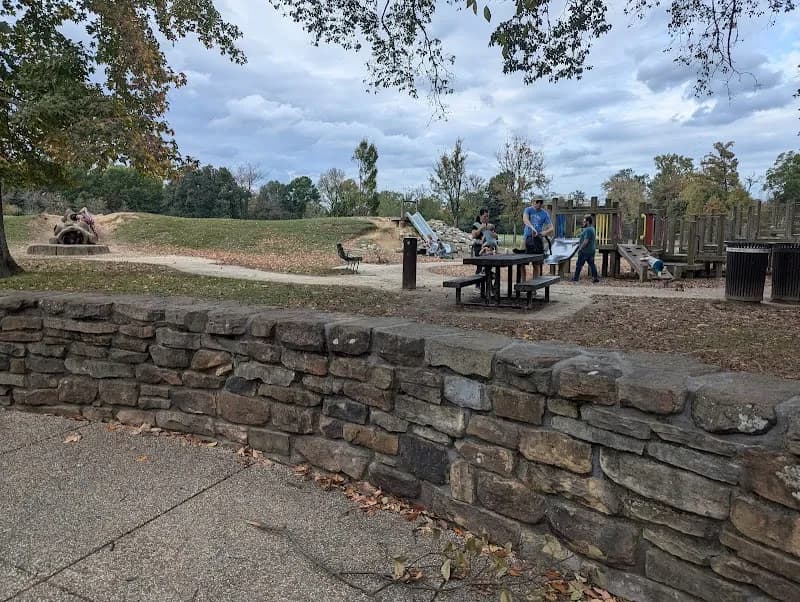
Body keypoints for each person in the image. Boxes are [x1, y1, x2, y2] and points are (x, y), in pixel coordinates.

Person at [520, 198, 553, 281]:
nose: (538, 204)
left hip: (537, 240)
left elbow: (551, 228)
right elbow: (525, 219)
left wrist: (545, 232)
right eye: (537, 202)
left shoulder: (544, 213)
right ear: (533, 202)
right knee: (521, 262)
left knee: (536, 263)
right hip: (526, 238)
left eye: (540, 202)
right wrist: (532, 228)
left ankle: (534, 284)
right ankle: (523, 282)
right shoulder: (528, 210)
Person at [572, 214, 600, 283]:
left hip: (585, 251)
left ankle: (575, 279)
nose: (583, 222)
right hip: (591, 250)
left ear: (588, 222)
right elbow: (584, 239)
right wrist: (577, 243)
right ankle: (596, 278)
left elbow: (586, 241)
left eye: (584, 221)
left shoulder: (587, 230)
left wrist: (580, 248)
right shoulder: (592, 228)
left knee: (579, 265)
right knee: (592, 265)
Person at [471, 208, 489, 276]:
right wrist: (481, 228)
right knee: (480, 266)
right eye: (485, 216)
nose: (486, 218)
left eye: (487, 216)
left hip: (487, 247)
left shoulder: (488, 225)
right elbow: (473, 235)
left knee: (488, 266)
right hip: (478, 247)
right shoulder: (476, 224)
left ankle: (488, 283)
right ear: (480, 216)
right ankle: (478, 284)